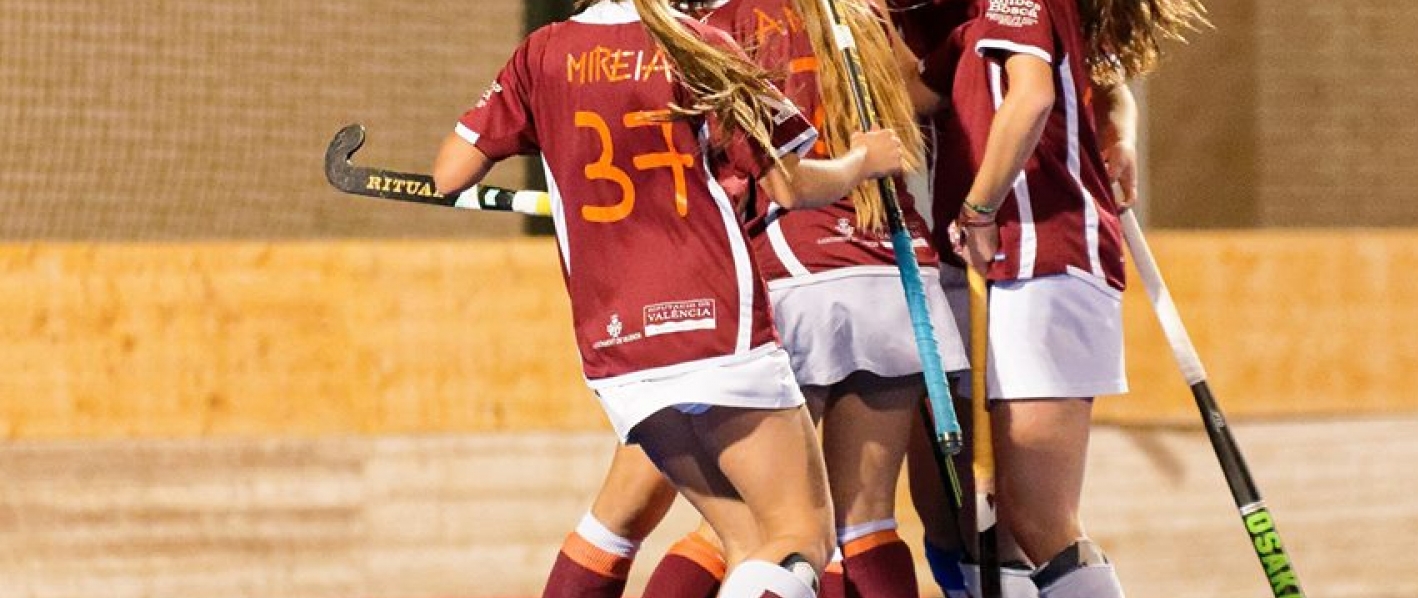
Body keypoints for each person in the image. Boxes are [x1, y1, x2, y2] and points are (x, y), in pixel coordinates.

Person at [431, 1, 910, 596]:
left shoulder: (540, 54)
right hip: (714, 327)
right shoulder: (700, 45)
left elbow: (450, 174)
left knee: (744, 540)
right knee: (801, 534)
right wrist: (862, 162)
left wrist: (561, 134)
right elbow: (791, 185)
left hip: (618, 351)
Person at [929, 0, 1206, 596]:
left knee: (1038, 515)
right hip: (1002, 265)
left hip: (1037, 258)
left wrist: (978, 210)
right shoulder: (963, 15)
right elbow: (1106, 78)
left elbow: (1032, 97)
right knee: (984, 521)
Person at [708, 0, 964, 597]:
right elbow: (919, 97)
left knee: (749, 527)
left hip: (799, 268)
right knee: (868, 519)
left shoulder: (730, 21)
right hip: (892, 266)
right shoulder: (867, 13)